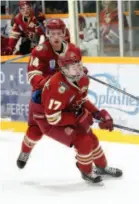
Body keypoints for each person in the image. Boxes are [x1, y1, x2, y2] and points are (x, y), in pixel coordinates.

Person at [32, 45, 122, 183]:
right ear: (64, 69)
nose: (79, 69)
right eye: (73, 66)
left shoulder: (83, 79)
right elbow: (52, 118)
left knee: (92, 138)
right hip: (47, 119)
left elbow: (82, 99)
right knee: (83, 140)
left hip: (66, 112)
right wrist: (78, 118)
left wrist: (97, 113)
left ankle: (102, 167)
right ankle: (86, 171)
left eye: (79, 63)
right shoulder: (57, 88)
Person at [16, 18, 71, 170]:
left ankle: (90, 163)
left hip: (65, 96)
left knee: (81, 128)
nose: (56, 37)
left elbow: (77, 70)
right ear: (47, 34)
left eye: (59, 33)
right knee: (35, 131)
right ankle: (25, 151)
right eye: (52, 33)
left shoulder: (71, 49)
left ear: (64, 33)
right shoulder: (40, 51)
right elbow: (33, 76)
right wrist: (50, 82)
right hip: (42, 97)